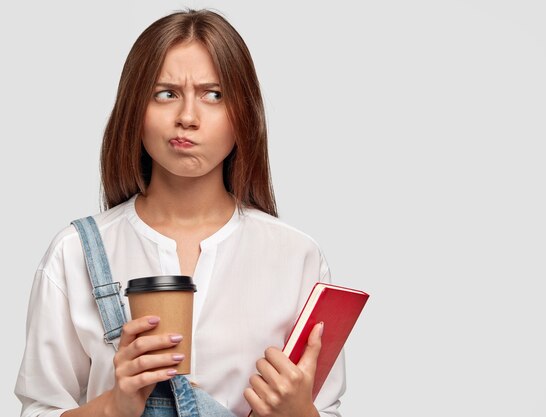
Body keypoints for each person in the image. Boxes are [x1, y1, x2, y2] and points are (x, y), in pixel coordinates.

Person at [15, 8, 345, 417]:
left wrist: (301, 413)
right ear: (134, 109)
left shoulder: (297, 256)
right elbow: (39, 409)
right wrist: (114, 406)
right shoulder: (75, 253)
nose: (187, 118)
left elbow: (326, 407)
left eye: (214, 95)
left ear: (244, 114)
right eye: (165, 93)